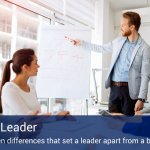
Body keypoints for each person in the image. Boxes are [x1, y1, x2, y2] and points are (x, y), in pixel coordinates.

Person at [66, 11, 150, 115]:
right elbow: (101, 48)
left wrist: (141, 98)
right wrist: (82, 43)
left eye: (123, 25)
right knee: (112, 124)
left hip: (130, 92)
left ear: (132, 27)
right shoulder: (118, 41)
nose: (121, 28)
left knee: (127, 125)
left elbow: (145, 75)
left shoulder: (144, 48)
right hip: (114, 89)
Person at [0, 48, 69, 116]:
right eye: (35, 63)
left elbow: (37, 115)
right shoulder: (9, 89)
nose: (38, 66)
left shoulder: (31, 87)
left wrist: (58, 115)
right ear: (25, 67)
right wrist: (56, 116)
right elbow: (28, 117)